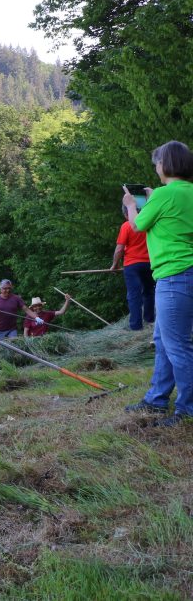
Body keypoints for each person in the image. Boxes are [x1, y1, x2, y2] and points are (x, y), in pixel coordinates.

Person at [122, 140, 193, 427]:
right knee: (164, 341)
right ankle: (156, 400)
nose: (156, 168)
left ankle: (187, 410)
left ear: (165, 164)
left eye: (157, 163)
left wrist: (131, 205)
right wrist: (153, 198)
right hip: (185, 274)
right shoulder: (185, 192)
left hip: (174, 275)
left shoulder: (164, 194)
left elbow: (137, 225)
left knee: (178, 346)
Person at [109, 206, 155, 330]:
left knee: (134, 295)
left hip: (132, 265)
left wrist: (115, 264)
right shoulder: (148, 224)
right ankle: (150, 321)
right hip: (150, 263)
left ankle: (136, 327)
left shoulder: (126, 226)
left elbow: (119, 249)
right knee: (149, 292)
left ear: (126, 214)